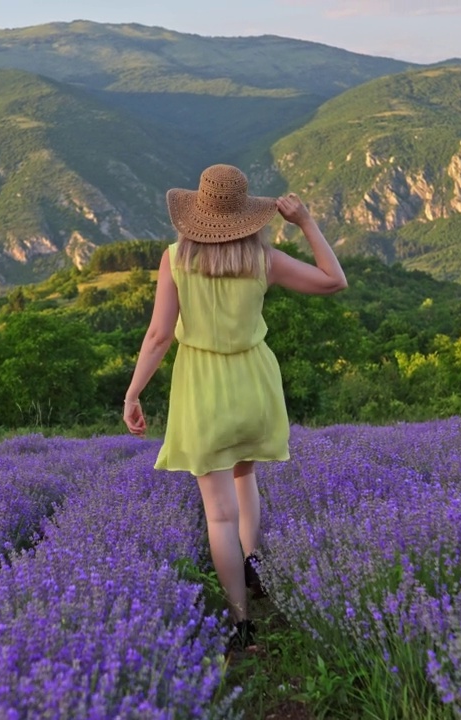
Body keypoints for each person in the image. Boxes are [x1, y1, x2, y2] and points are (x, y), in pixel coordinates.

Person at [123, 164, 348, 651]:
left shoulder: (174, 259)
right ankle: (253, 564)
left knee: (218, 515)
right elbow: (334, 281)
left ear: (197, 213)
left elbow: (160, 335)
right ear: (245, 216)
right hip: (254, 385)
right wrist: (306, 222)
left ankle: (241, 620)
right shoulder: (263, 259)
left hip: (203, 389)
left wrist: (134, 392)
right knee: (246, 479)